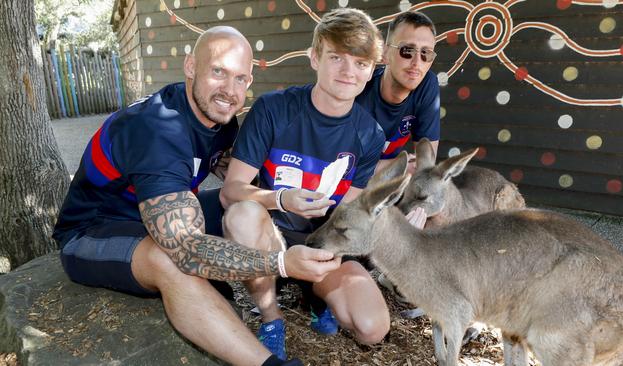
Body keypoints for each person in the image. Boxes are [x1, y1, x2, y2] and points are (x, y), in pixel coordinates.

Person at [52, 26, 342, 366]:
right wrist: (280, 263)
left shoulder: (221, 120)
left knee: (243, 203)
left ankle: (277, 310)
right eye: (218, 72)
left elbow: (220, 165)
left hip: (150, 218)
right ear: (191, 67)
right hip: (93, 230)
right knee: (171, 261)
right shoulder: (155, 129)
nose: (229, 91)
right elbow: (187, 249)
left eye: (240, 79)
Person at [220, 8, 390, 359]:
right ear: (315, 57)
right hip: (270, 240)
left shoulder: (370, 134)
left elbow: (347, 211)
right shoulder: (273, 109)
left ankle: (314, 296)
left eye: (361, 63)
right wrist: (282, 200)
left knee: (372, 328)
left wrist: (331, 259)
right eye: (337, 57)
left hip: (319, 244)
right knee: (241, 216)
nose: (348, 71)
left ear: (371, 70)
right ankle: (271, 317)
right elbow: (231, 190)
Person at [355, 11, 441, 174]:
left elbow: (426, 165)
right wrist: (397, 165)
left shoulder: (427, 84)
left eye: (426, 53)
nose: (417, 63)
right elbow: (340, 169)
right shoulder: (358, 87)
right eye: (407, 50)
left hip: (385, 185)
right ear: (385, 53)